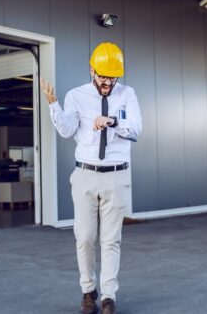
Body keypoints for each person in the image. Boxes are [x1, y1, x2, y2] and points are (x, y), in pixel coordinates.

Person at [40, 42, 142, 314]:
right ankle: (88, 291)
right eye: (102, 76)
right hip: (85, 174)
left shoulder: (127, 94)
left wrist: (113, 122)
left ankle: (108, 296)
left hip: (117, 175)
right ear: (92, 70)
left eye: (112, 77)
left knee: (111, 239)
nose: (107, 82)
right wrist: (53, 104)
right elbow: (66, 130)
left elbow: (136, 130)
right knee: (84, 237)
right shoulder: (76, 95)